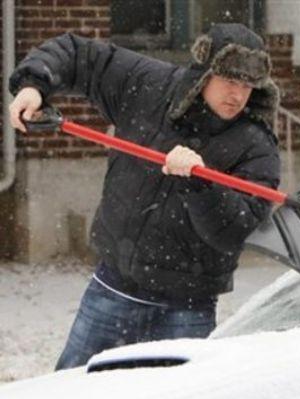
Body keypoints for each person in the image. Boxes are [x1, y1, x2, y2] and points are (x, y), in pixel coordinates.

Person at [8, 23, 281, 370]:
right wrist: (34, 85)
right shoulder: (148, 86)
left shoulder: (256, 145)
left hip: (187, 311)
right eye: (229, 81)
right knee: (73, 392)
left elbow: (232, 232)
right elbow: (78, 54)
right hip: (112, 292)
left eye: (246, 86)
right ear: (204, 74)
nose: (237, 95)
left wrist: (200, 185)